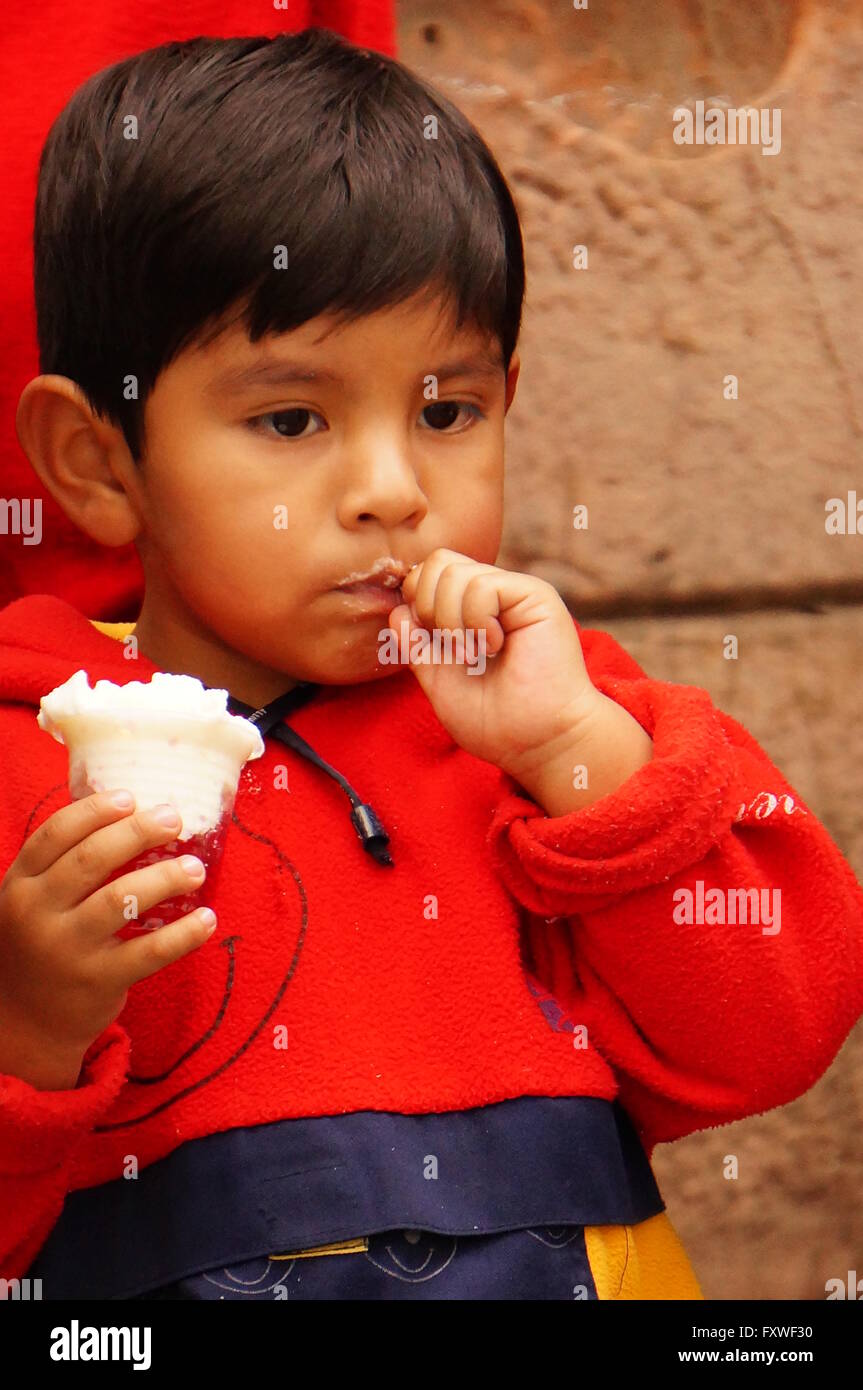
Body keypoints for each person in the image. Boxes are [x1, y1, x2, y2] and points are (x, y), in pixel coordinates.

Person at [0, 28, 860, 1300]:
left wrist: (575, 755)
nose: (392, 492)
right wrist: (28, 1028)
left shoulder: (553, 716)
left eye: (446, 411)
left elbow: (771, 1040)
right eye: (289, 419)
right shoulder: (36, 768)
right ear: (97, 461)